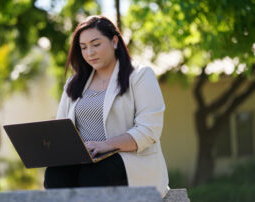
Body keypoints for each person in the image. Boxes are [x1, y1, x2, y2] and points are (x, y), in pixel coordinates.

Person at [44, 15, 169, 198]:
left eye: (96, 44)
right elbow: (62, 127)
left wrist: (106, 145)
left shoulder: (140, 76)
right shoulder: (74, 82)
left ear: (115, 41)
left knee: (94, 174)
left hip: (129, 161)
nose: (90, 53)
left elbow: (149, 130)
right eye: (84, 47)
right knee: (55, 174)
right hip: (84, 159)